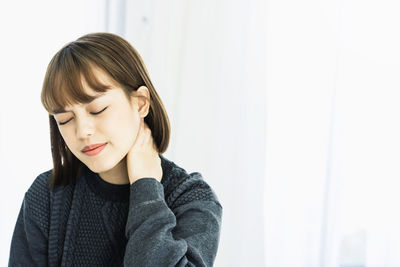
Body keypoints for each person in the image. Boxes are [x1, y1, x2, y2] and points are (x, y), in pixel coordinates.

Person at [8, 32, 222, 266]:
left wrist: (146, 188)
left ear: (141, 103)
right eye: (65, 119)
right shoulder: (46, 195)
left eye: (98, 110)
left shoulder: (191, 198)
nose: (82, 131)